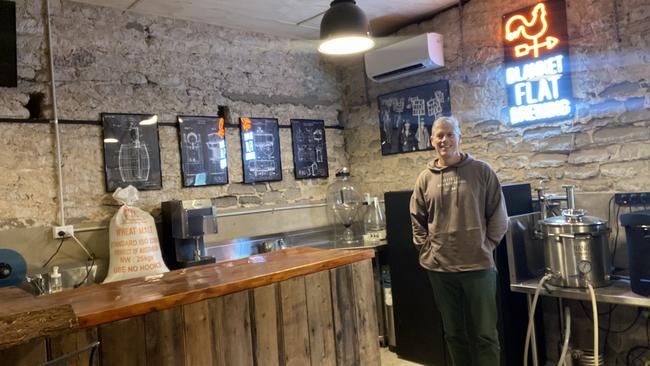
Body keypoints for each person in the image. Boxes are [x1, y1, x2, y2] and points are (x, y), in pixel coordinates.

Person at [409, 116, 508, 366]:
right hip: (440, 269)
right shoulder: (425, 179)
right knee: (454, 335)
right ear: (432, 141)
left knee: (486, 335)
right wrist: (426, 250)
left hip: (478, 267)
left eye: (450, 134)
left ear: (459, 138)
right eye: (439, 135)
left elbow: (498, 215)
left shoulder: (481, 171)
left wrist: (487, 245)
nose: (445, 140)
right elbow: (416, 218)